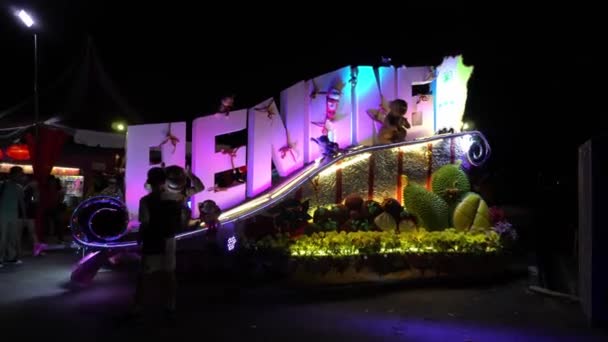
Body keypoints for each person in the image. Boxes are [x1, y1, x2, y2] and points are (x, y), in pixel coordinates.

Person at [131, 167, 183, 319]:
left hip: (153, 239)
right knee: (169, 274)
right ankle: (170, 305)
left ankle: (138, 307)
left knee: (144, 275)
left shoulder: (146, 201)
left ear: (150, 182)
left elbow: (145, 223)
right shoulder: (174, 198)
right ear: (164, 181)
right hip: (169, 240)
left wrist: (139, 238)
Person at [0, 166, 26, 267]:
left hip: (13, 215)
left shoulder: (19, 188)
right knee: (2, 237)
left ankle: (11, 258)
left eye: (21, 175)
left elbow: (21, 203)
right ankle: (0, 258)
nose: (20, 177)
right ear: (12, 174)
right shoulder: (3, 185)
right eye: (19, 174)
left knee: (12, 237)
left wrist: (24, 216)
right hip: (2, 215)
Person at [22, 177, 47, 256]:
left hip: (27, 213)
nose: (36, 184)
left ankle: (36, 248)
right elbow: (35, 201)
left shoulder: (27, 189)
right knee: (31, 232)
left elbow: (33, 202)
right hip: (29, 213)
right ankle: (36, 249)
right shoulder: (28, 190)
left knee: (30, 232)